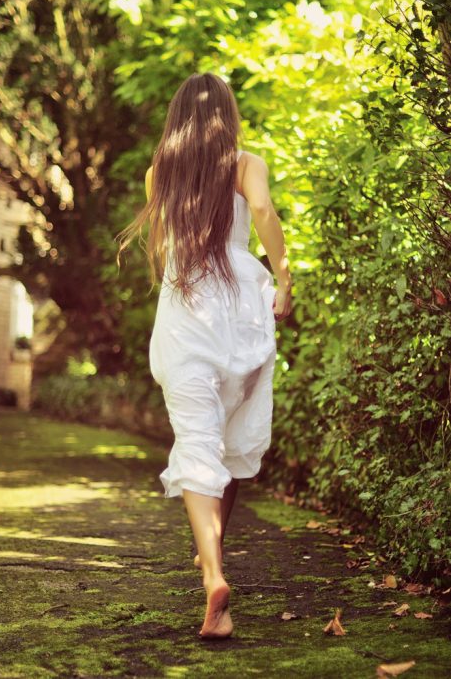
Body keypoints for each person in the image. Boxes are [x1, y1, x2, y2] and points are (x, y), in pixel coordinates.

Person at [117, 72, 292, 640]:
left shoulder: (158, 174)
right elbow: (263, 211)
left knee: (198, 439)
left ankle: (212, 572)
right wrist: (284, 278)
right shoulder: (247, 164)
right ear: (228, 115)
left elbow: (167, 245)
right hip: (242, 307)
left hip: (188, 311)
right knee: (234, 436)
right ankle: (211, 543)